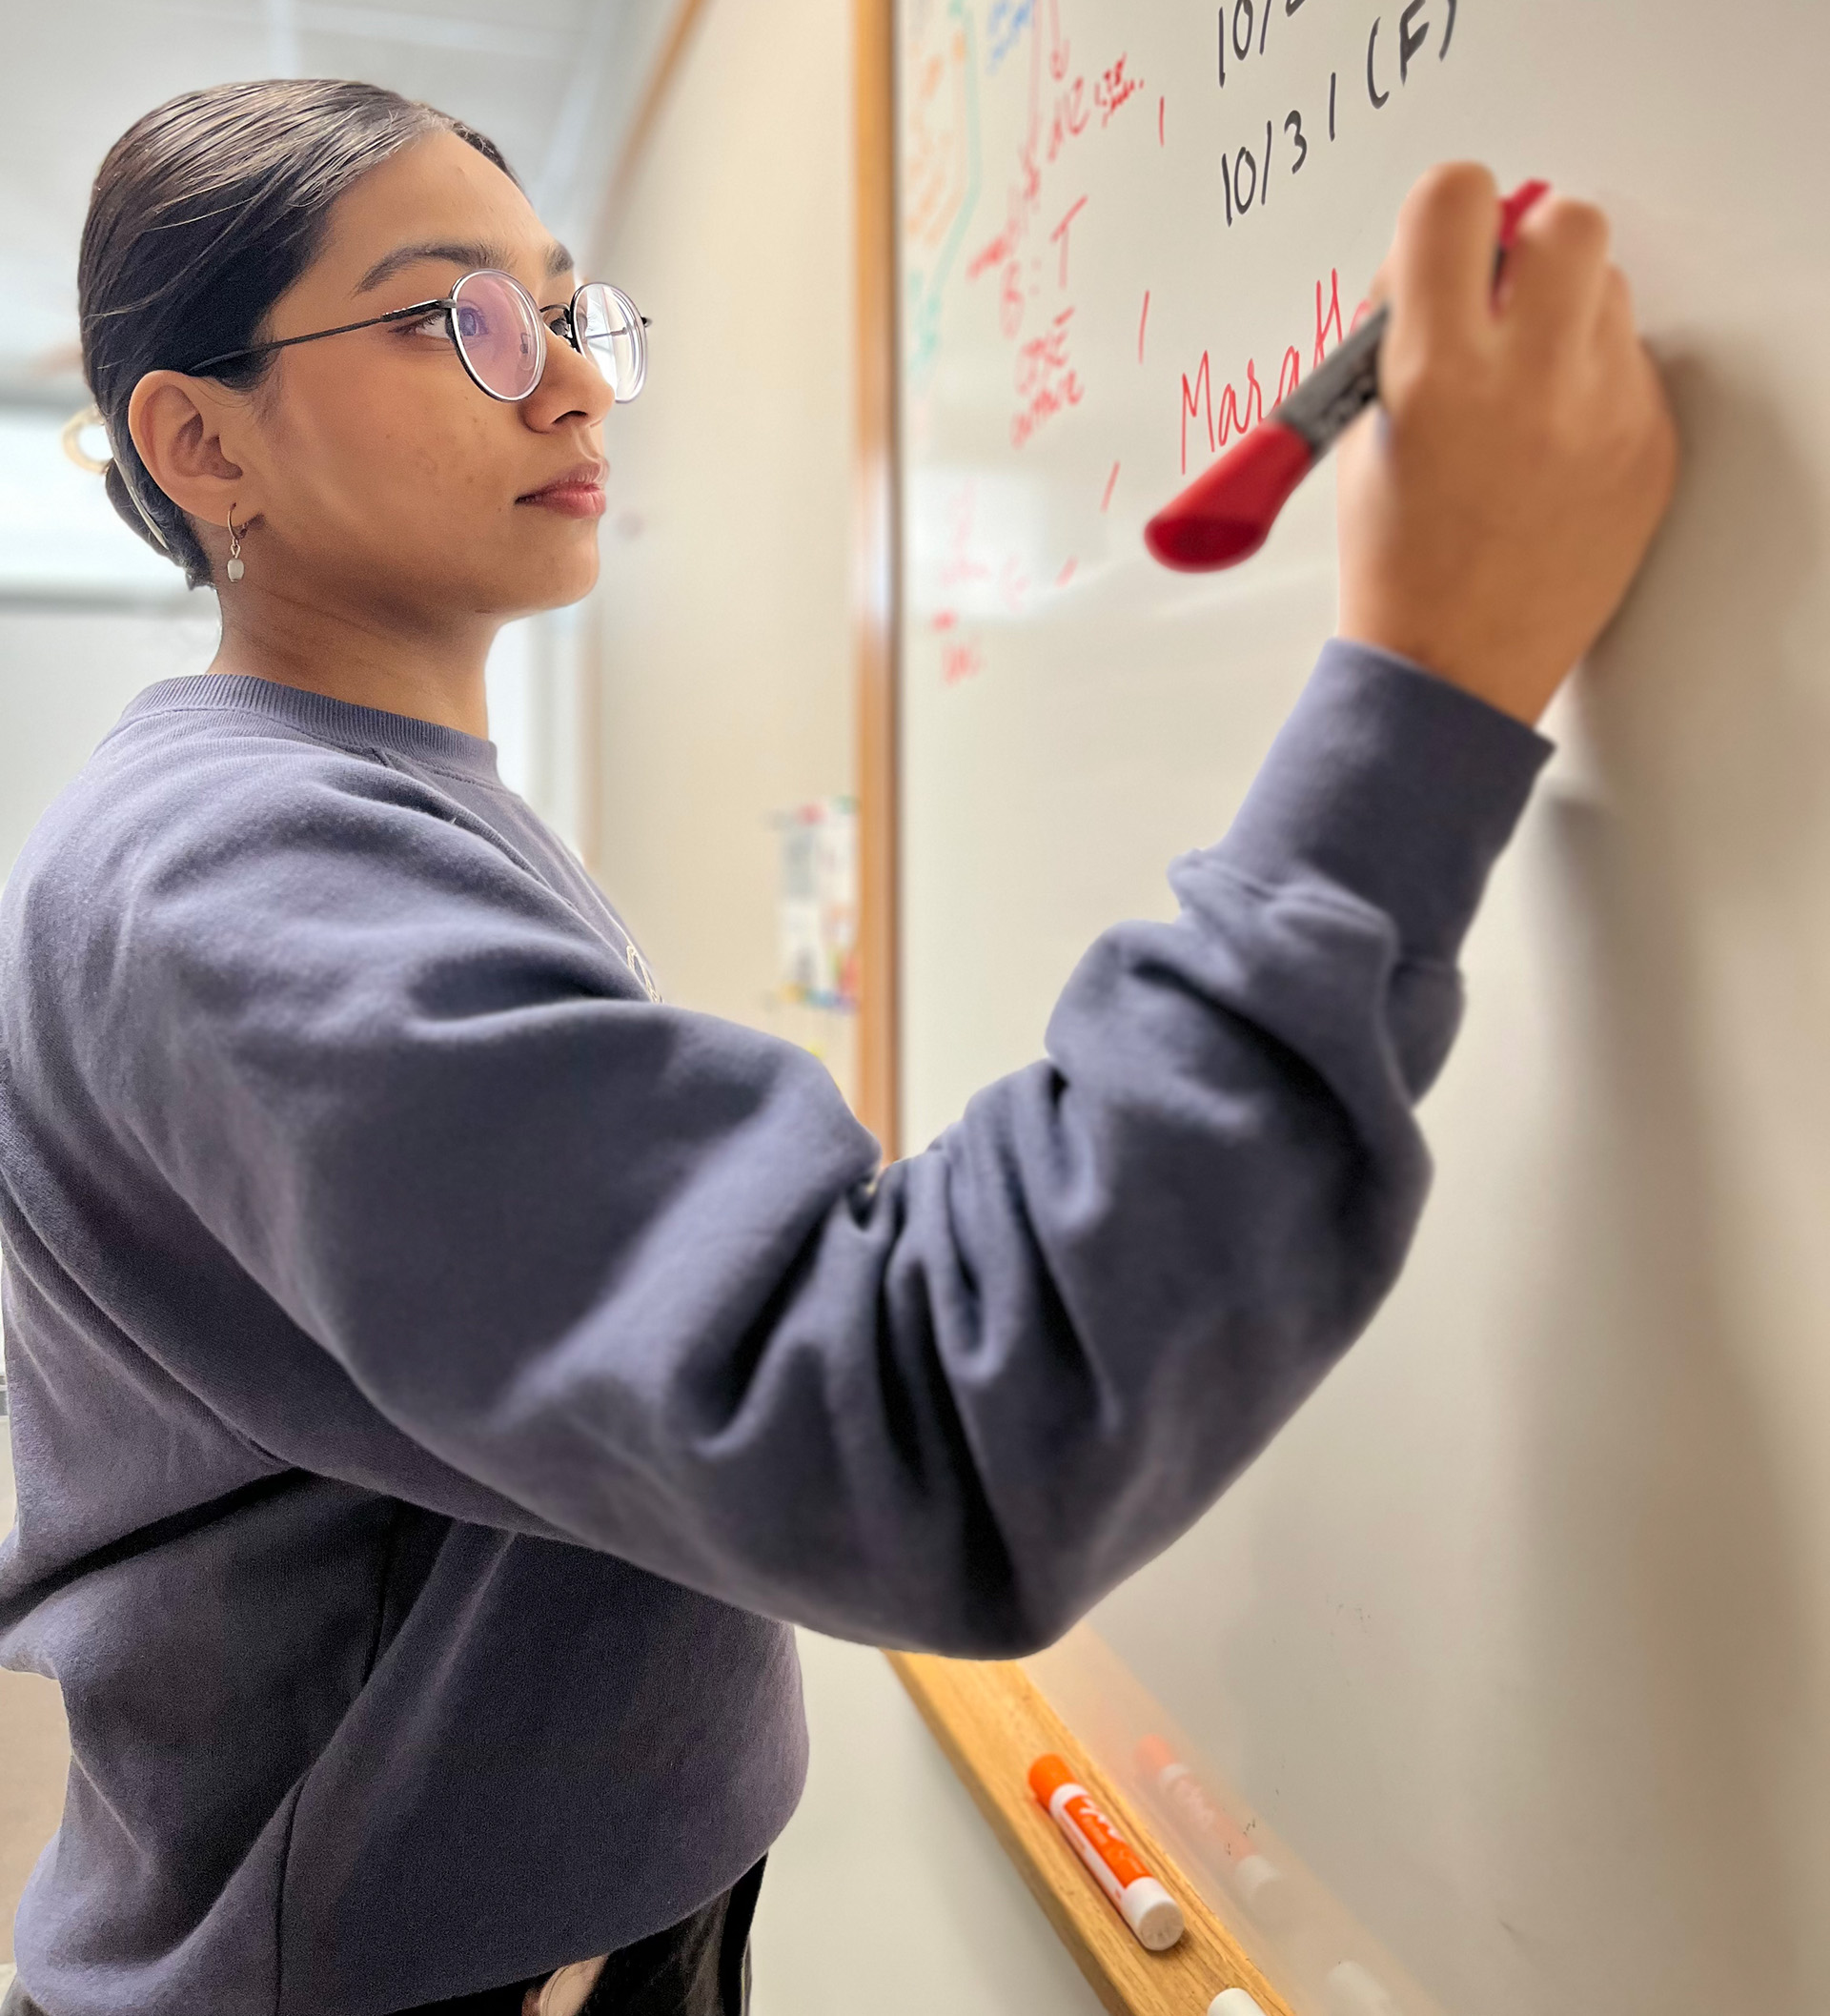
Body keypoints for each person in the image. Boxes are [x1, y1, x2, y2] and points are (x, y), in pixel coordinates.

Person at [0, 76, 1675, 2016]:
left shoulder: (376, 798)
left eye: (568, 309)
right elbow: (928, 1420)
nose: (573, 386)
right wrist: (1430, 690)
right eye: (459, 315)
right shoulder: (236, 871)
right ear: (203, 442)